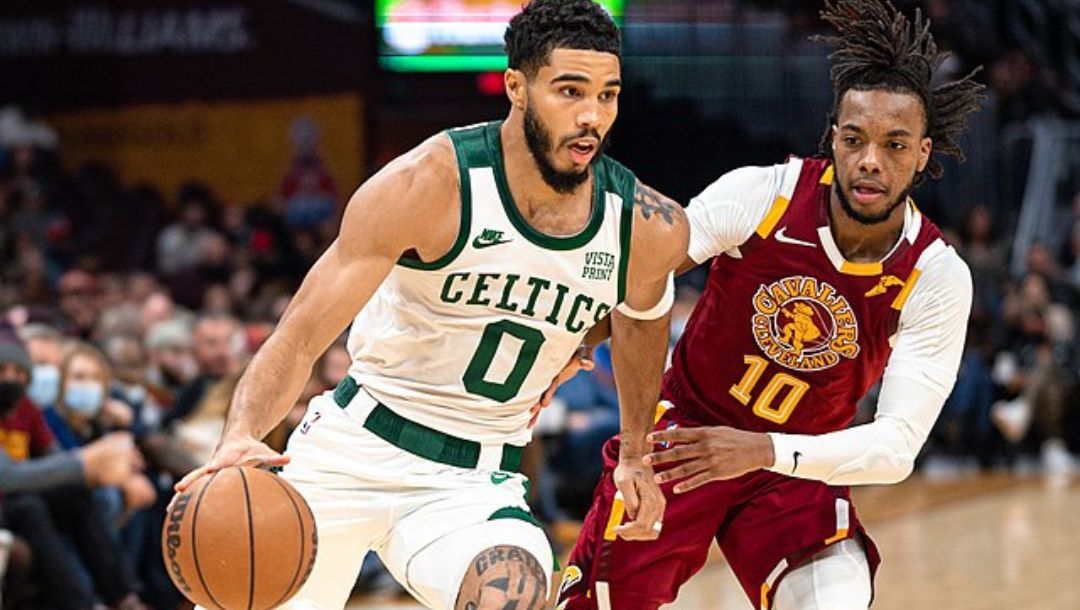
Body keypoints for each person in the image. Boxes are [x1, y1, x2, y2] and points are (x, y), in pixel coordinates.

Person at [175, 1, 687, 608]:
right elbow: (298, 338)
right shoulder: (426, 185)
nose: (590, 116)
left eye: (608, 95)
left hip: (472, 484)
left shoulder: (646, 225)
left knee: (517, 592)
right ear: (516, 87)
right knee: (235, 586)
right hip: (351, 448)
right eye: (569, 91)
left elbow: (640, 320)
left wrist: (632, 447)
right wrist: (240, 434)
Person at [557, 1, 985, 608]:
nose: (870, 161)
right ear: (832, 138)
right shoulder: (762, 196)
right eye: (855, 139)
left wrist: (762, 451)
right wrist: (572, 345)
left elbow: (894, 450)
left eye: (894, 145)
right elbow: (641, 281)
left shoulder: (935, 274)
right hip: (684, 441)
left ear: (922, 153)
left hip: (797, 466)